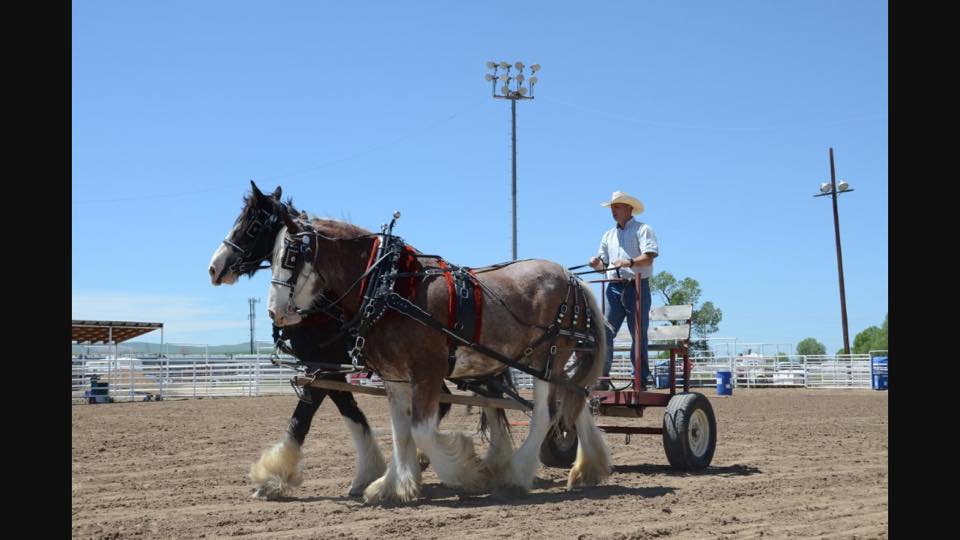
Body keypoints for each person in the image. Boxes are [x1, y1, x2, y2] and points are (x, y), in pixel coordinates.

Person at [589, 191, 658, 390]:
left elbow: (650, 256)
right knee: (604, 332)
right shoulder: (608, 235)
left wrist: (629, 262)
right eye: (612, 207)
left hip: (637, 286)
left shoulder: (643, 229)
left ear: (629, 208)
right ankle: (601, 379)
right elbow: (604, 266)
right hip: (613, 287)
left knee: (638, 333)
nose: (613, 211)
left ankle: (640, 378)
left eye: (617, 207)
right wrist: (596, 264)